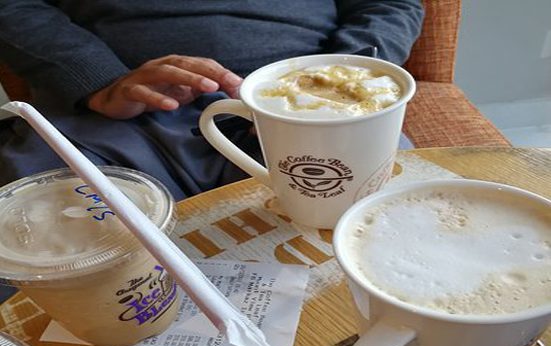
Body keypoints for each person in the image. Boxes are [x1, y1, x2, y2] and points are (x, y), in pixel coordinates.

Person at [0, 0, 424, 200]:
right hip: (118, 115)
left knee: (392, 236)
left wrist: (340, 81)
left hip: (313, 110)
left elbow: (390, 4)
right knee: (40, 246)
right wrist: (98, 80)